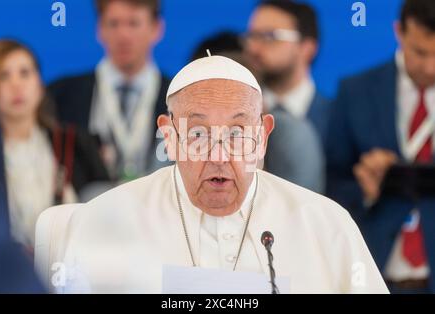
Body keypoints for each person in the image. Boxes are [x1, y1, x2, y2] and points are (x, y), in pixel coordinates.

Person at [51, 55, 388, 293]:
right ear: (169, 138)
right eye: (197, 134)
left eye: (238, 133)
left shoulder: (325, 224)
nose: (218, 155)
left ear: (263, 137)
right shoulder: (104, 219)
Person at [326, 0, 435, 293]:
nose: (430, 67)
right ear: (399, 32)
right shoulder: (355, 91)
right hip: (374, 267)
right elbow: (329, 182)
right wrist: (365, 189)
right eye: (420, 52)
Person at [0, 39, 109, 252]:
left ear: (40, 85)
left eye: (24, 73)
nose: (16, 85)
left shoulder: (77, 143)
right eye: (4, 76)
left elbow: (109, 214)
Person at [48, 0, 170, 181]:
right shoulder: (61, 95)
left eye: (133, 23)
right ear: (99, 29)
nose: (123, 35)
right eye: (113, 23)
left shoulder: (180, 95)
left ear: (156, 29)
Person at [244, 0, 331, 145]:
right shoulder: (237, 114)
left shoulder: (339, 118)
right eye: (252, 36)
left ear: (307, 48)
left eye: (270, 36)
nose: (253, 49)